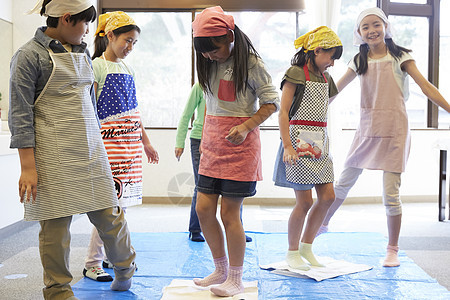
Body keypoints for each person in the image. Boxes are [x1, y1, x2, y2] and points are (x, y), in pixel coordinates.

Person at [9, 1, 137, 298]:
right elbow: (20, 115)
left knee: (111, 217)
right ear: (66, 19)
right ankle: (58, 290)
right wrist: (28, 167)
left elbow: (89, 107)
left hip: (90, 151)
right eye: (85, 24)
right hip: (51, 156)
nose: (89, 31)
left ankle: (125, 268)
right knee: (55, 229)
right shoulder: (29, 56)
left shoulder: (81, 53)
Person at [319, 7, 450, 267]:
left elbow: (426, 87)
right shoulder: (359, 59)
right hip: (368, 127)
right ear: (359, 33)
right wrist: (306, 112)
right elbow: (335, 90)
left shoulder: (401, 56)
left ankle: (392, 249)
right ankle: (320, 225)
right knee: (343, 182)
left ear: (386, 27)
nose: (371, 30)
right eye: (365, 26)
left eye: (376, 24)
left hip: (395, 129)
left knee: (391, 193)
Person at [190, 6, 279, 297]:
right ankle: (220, 269)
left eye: (212, 49)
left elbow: (271, 103)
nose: (208, 55)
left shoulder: (251, 63)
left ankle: (236, 279)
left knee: (230, 214)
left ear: (228, 36)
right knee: (203, 209)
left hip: (240, 147)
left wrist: (246, 126)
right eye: (203, 51)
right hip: (213, 144)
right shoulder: (209, 62)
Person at [82, 11, 159, 282]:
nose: (130, 47)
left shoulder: (129, 68)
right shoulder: (95, 66)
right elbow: (89, 111)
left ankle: (109, 256)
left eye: (134, 43)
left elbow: (134, 112)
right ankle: (93, 263)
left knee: (120, 207)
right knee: (109, 208)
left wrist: (146, 142)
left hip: (129, 148)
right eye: (127, 40)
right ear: (110, 36)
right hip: (107, 147)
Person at [273, 26, 342, 270]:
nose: (332, 63)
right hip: (298, 140)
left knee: (328, 197)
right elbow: (283, 112)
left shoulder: (326, 78)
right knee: (304, 202)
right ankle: (292, 252)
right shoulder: (295, 73)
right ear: (316, 50)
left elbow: (324, 103)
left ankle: (307, 247)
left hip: (320, 142)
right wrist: (288, 146)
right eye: (330, 56)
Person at [174, 83, 252, 243]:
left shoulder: (232, 85)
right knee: (202, 186)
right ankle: (195, 229)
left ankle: (238, 228)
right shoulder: (200, 86)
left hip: (226, 139)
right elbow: (186, 115)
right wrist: (179, 142)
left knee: (233, 187)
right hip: (199, 139)